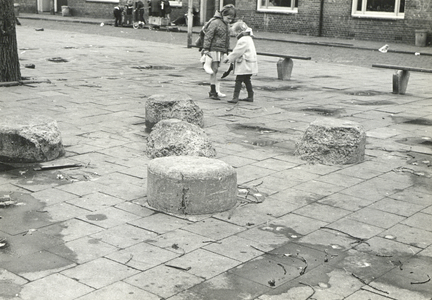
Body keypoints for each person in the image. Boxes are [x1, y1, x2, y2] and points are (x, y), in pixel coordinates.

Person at [201, 4, 236, 100]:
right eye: (228, 18)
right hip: (213, 49)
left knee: (216, 70)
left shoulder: (225, 24)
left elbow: (227, 39)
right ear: (223, 14)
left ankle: (215, 90)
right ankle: (212, 91)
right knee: (214, 69)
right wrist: (206, 49)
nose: (230, 21)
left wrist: (226, 50)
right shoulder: (215, 23)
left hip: (220, 50)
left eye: (231, 19)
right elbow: (208, 36)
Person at [223, 21, 258, 103]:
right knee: (247, 80)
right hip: (249, 63)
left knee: (238, 80)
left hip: (245, 64)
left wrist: (228, 58)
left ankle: (235, 98)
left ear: (239, 31)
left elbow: (237, 51)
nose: (235, 35)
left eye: (235, 32)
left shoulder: (243, 40)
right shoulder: (248, 37)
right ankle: (250, 96)